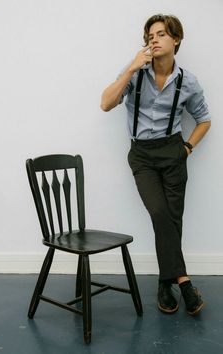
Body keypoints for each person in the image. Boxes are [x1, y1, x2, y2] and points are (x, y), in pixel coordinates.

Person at [100, 14, 211, 315]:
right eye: (150, 35)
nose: (154, 39)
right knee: (160, 213)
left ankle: (165, 284)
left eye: (161, 34)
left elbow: (204, 120)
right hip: (143, 156)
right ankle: (184, 281)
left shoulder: (188, 81)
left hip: (173, 151)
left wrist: (187, 148)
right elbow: (106, 102)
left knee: (173, 219)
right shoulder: (135, 73)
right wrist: (131, 68)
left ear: (176, 40)